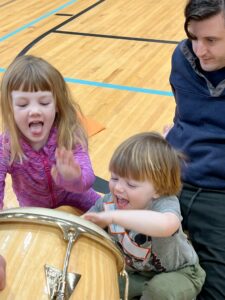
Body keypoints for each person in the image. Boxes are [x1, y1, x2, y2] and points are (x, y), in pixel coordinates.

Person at [84, 132, 205, 300]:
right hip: (139, 274)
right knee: (100, 283)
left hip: (182, 273)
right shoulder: (109, 202)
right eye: (114, 178)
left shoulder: (164, 203)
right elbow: (81, 226)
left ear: (158, 190)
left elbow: (166, 225)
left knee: (159, 291)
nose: (118, 188)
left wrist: (114, 217)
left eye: (131, 184)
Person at [164, 1, 225, 299]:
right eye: (193, 37)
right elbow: (183, 114)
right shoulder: (182, 57)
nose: (200, 50)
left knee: (215, 292)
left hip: (218, 194)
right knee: (125, 256)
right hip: (171, 178)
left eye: (211, 40)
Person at [0, 55, 100, 212]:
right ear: (10, 109)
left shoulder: (69, 133)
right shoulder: (6, 145)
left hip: (81, 201)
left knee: (113, 221)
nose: (34, 111)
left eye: (44, 102)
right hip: (37, 213)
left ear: (57, 105)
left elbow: (87, 180)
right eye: (23, 104)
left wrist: (73, 178)